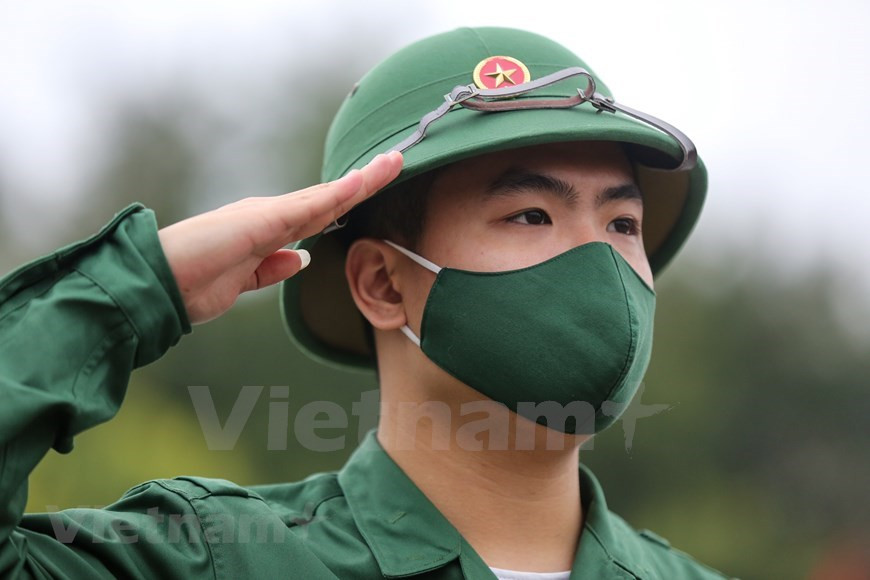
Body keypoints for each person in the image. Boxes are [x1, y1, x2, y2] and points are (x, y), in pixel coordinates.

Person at [0, 27, 729, 579]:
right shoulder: (218, 559)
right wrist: (138, 284)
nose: (598, 262)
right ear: (382, 283)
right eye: (531, 216)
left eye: (622, 224)